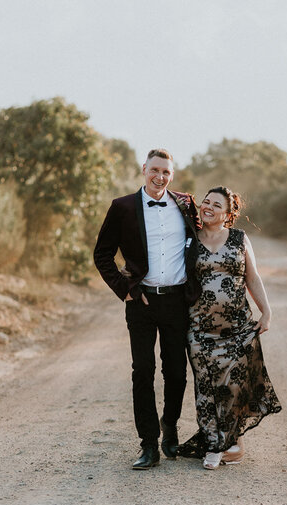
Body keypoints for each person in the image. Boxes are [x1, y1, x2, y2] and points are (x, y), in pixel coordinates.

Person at [93, 148, 201, 470]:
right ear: (144, 170)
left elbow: (201, 240)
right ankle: (149, 444)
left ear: (172, 175)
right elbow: (102, 254)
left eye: (166, 172)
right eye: (155, 170)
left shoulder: (185, 204)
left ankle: (170, 425)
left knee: (177, 373)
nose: (160, 177)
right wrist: (125, 289)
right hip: (141, 300)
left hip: (177, 300)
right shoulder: (122, 207)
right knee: (143, 372)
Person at [177, 186, 282, 469]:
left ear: (228, 214)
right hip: (199, 329)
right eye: (205, 202)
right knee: (207, 387)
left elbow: (253, 277)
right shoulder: (189, 238)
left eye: (215, 205)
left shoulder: (239, 239)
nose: (207, 207)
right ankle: (215, 444)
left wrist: (266, 312)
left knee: (233, 387)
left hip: (236, 328)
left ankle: (231, 443)